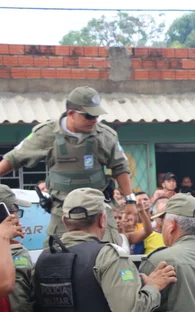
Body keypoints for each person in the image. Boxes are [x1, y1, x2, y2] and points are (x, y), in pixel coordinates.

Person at [32, 188, 176, 312]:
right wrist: (153, 287)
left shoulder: (45, 258)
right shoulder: (108, 256)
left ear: (65, 222)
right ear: (102, 220)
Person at [0, 86, 137, 245]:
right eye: (89, 115)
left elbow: (120, 167)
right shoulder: (47, 133)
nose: (94, 120)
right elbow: (14, 159)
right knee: (56, 257)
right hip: (63, 211)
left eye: (96, 116)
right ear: (71, 113)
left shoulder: (106, 135)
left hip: (98, 210)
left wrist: (130, 200)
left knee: (110, 252)